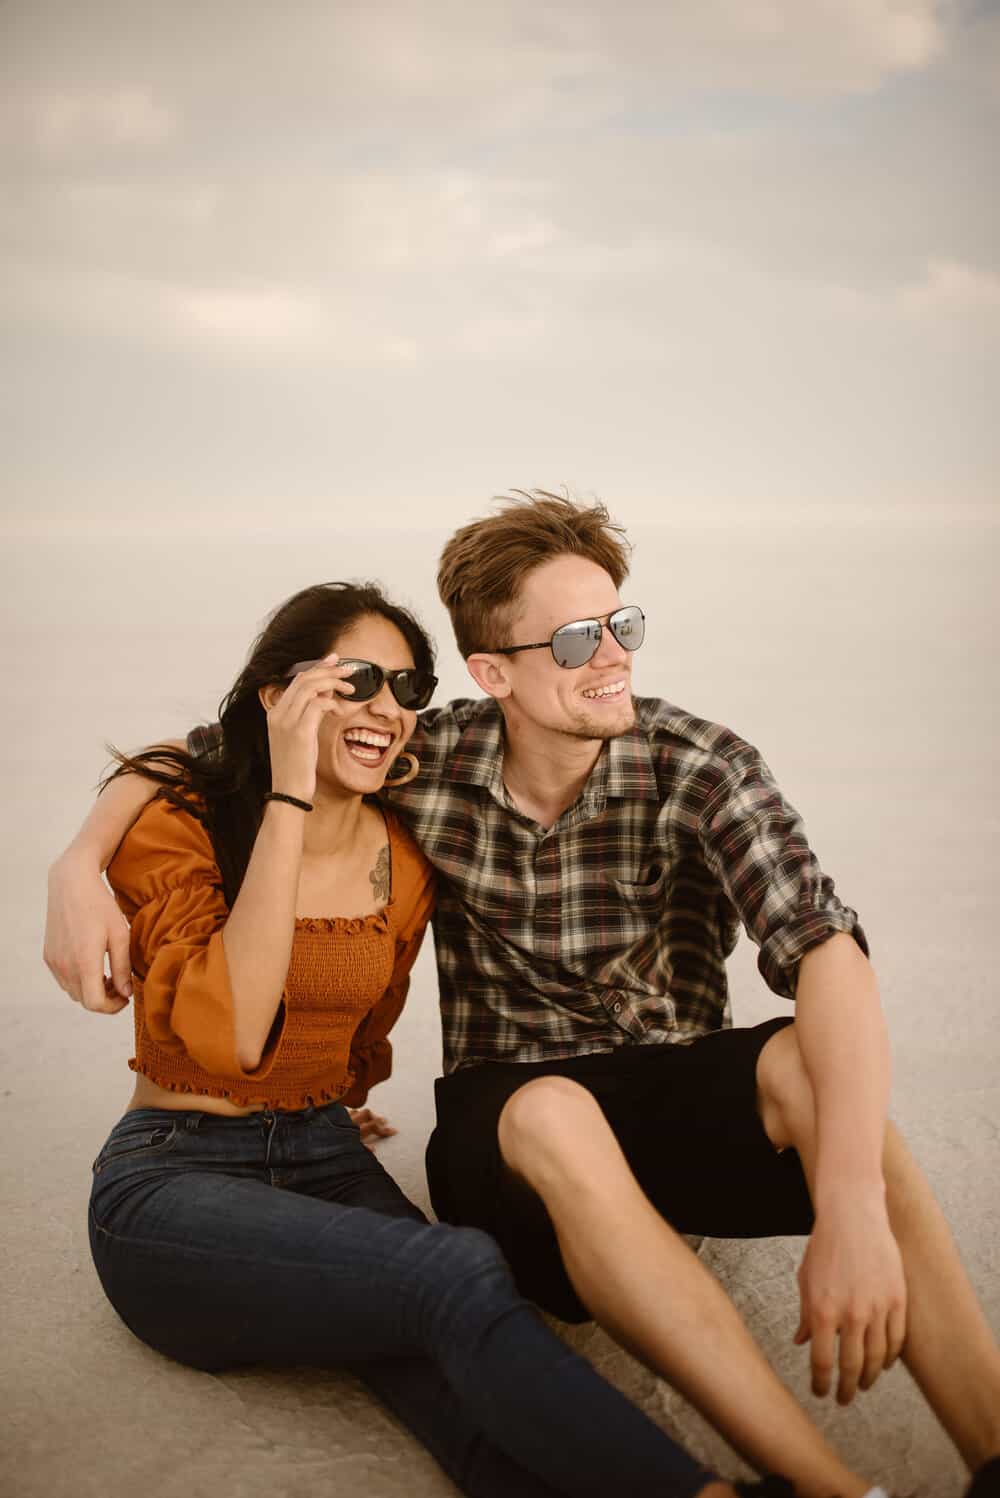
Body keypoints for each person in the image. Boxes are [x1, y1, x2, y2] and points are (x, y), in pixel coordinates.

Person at [46, 498, 1000, 1497]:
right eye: (578, 637)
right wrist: (77, 862)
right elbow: (224, 745)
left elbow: (825, 950)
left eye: (621, 624)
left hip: (644, 1098)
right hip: (509, 1124)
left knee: (825, 1076)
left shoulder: (693, 762)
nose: (612, 655)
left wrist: (845, 1200)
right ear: (494, 672)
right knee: (536, 1132)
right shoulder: (431, 760)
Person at [77, 578, 767, 1498]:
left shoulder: (400, 858)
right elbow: (236, 1035)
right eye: (355, 680)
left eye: (407, 688)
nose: (387, 709)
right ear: (279, 697)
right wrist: (82, 859)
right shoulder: (183, 826)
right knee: (452, 1268)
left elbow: (351, 1030)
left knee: (446, 1374)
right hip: (171, 1179)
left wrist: (315, 1099)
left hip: (322, 1153)